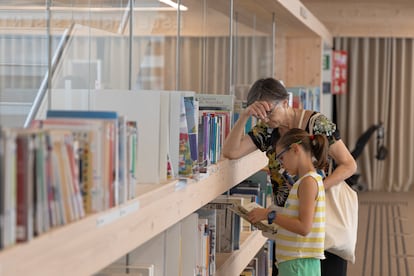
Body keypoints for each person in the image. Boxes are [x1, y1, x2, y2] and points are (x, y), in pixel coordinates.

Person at [222, 77, 357, 276]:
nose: (265, 119)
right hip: (286, 225)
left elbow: (349, 165)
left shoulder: (316, 124)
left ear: (285, 102)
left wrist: (312, 191)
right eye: (260, 115)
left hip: (319, 224)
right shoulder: (267, 130)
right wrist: (244, 116)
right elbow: (231, 152)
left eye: (269, 112)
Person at [249, 128, 328, 275]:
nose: (281, 164)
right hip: (295, 262)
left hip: (299, 264)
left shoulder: (308, 182)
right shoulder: (305, 181)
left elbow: (304, 227)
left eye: (281, 158)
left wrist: (270, 215)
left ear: (295, 149)